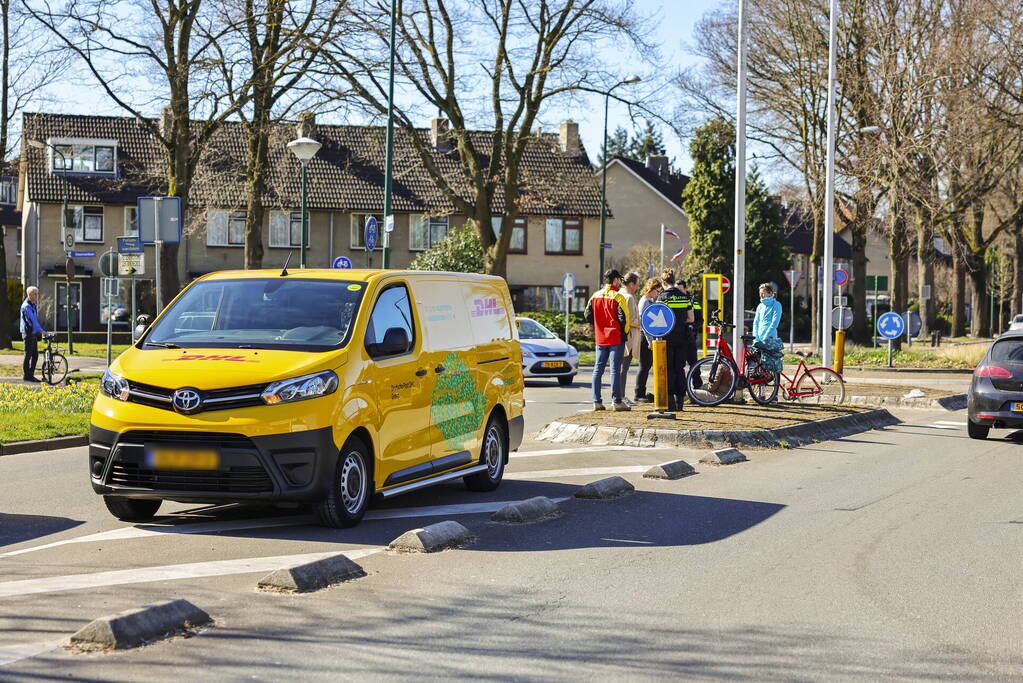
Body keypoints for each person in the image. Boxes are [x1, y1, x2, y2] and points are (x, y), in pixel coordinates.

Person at [585, 268, 631, 412]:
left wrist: (599, 324)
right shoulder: (618, 297)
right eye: (619, 280)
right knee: (615, 370)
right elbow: (625, 320)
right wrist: (625, 334)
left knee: (597, 369)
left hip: (600, 338)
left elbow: (587, 315)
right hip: (615, 338)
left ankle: (596, 402)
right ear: (616, 279)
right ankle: (617, 402)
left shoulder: (594, 296)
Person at [656, 269, 694, 411]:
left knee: (669, 369)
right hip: (682, 337)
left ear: (664, 282)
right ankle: (680, 401)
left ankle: (670, 401)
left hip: (667, 337)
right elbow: (691, 318)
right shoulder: (684, 297)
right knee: (680, 368)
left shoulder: (662, 297)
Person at [633, 277, 662, 403]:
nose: (658, 293)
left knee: (647, 365)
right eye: (657, 291)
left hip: (649, 337)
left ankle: (642, 393)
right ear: (652, 289)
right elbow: (644, 324)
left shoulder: (649, 300)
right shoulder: (644, 301)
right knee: (644, 366)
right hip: (645, 338)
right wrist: (650, 341)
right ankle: (639, 394)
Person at [618, 272, 642, 403]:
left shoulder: (618, 294)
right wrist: (642, 323)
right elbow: (631, 319)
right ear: (631, 284)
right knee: (624, 369)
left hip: (618, 336)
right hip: (628, 337)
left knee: (620, 368)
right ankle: (620, 397)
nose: (638, 287)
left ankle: (619, 396)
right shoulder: (629, 297)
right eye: (637, 284)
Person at [752, 282, 785, 373]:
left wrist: (766, 337)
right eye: (760, 294)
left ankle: (772, 379)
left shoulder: (776, 305)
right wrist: (756, 337)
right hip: (758, 339)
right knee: (757, 363)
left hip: (770, 338)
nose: (761, 296)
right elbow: (756, 322)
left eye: (763, 293)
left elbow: (774, 323)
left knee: (770, 362)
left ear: (770, 293)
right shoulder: (760, 306)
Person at [676, 278, 703, 389]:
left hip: (690, 337)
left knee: (694, 364)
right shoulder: (675, 300)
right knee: (679, 365)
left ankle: (697, 388)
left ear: (685, 289)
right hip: (678, 337)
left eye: (680, 290)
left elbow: (700, 320)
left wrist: (692, 327)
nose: (678, 292)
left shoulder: (693, 301)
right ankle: (682, 389)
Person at [20, 286, 46, 383]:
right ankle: (27, 376)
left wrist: (40, 330)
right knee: (28, 355)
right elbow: (33, 322)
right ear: (30, 295)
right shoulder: (26, 306)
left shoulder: (32, 305)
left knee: (35, 355)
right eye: (35, 294)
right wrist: (42, 331)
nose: (37, 295)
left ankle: (30, 374)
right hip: (28, 333)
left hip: (32, 332)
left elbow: (35, 321)